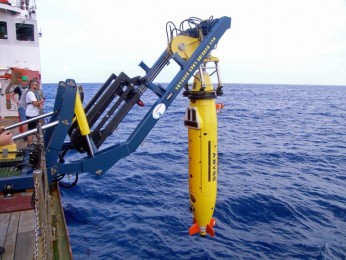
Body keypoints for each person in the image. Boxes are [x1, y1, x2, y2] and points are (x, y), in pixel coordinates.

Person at [25, 78, 44, 144]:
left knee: (34, 129)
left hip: (35, 113)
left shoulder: (34, 92)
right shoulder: (30, 93)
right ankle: (30, 144)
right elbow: (35, 103)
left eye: (38, 84)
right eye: (36, 84)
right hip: (31, 114)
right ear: (32, 85)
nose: (38, 85)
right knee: (31, 130)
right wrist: (41, 101)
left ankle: (34, 143)